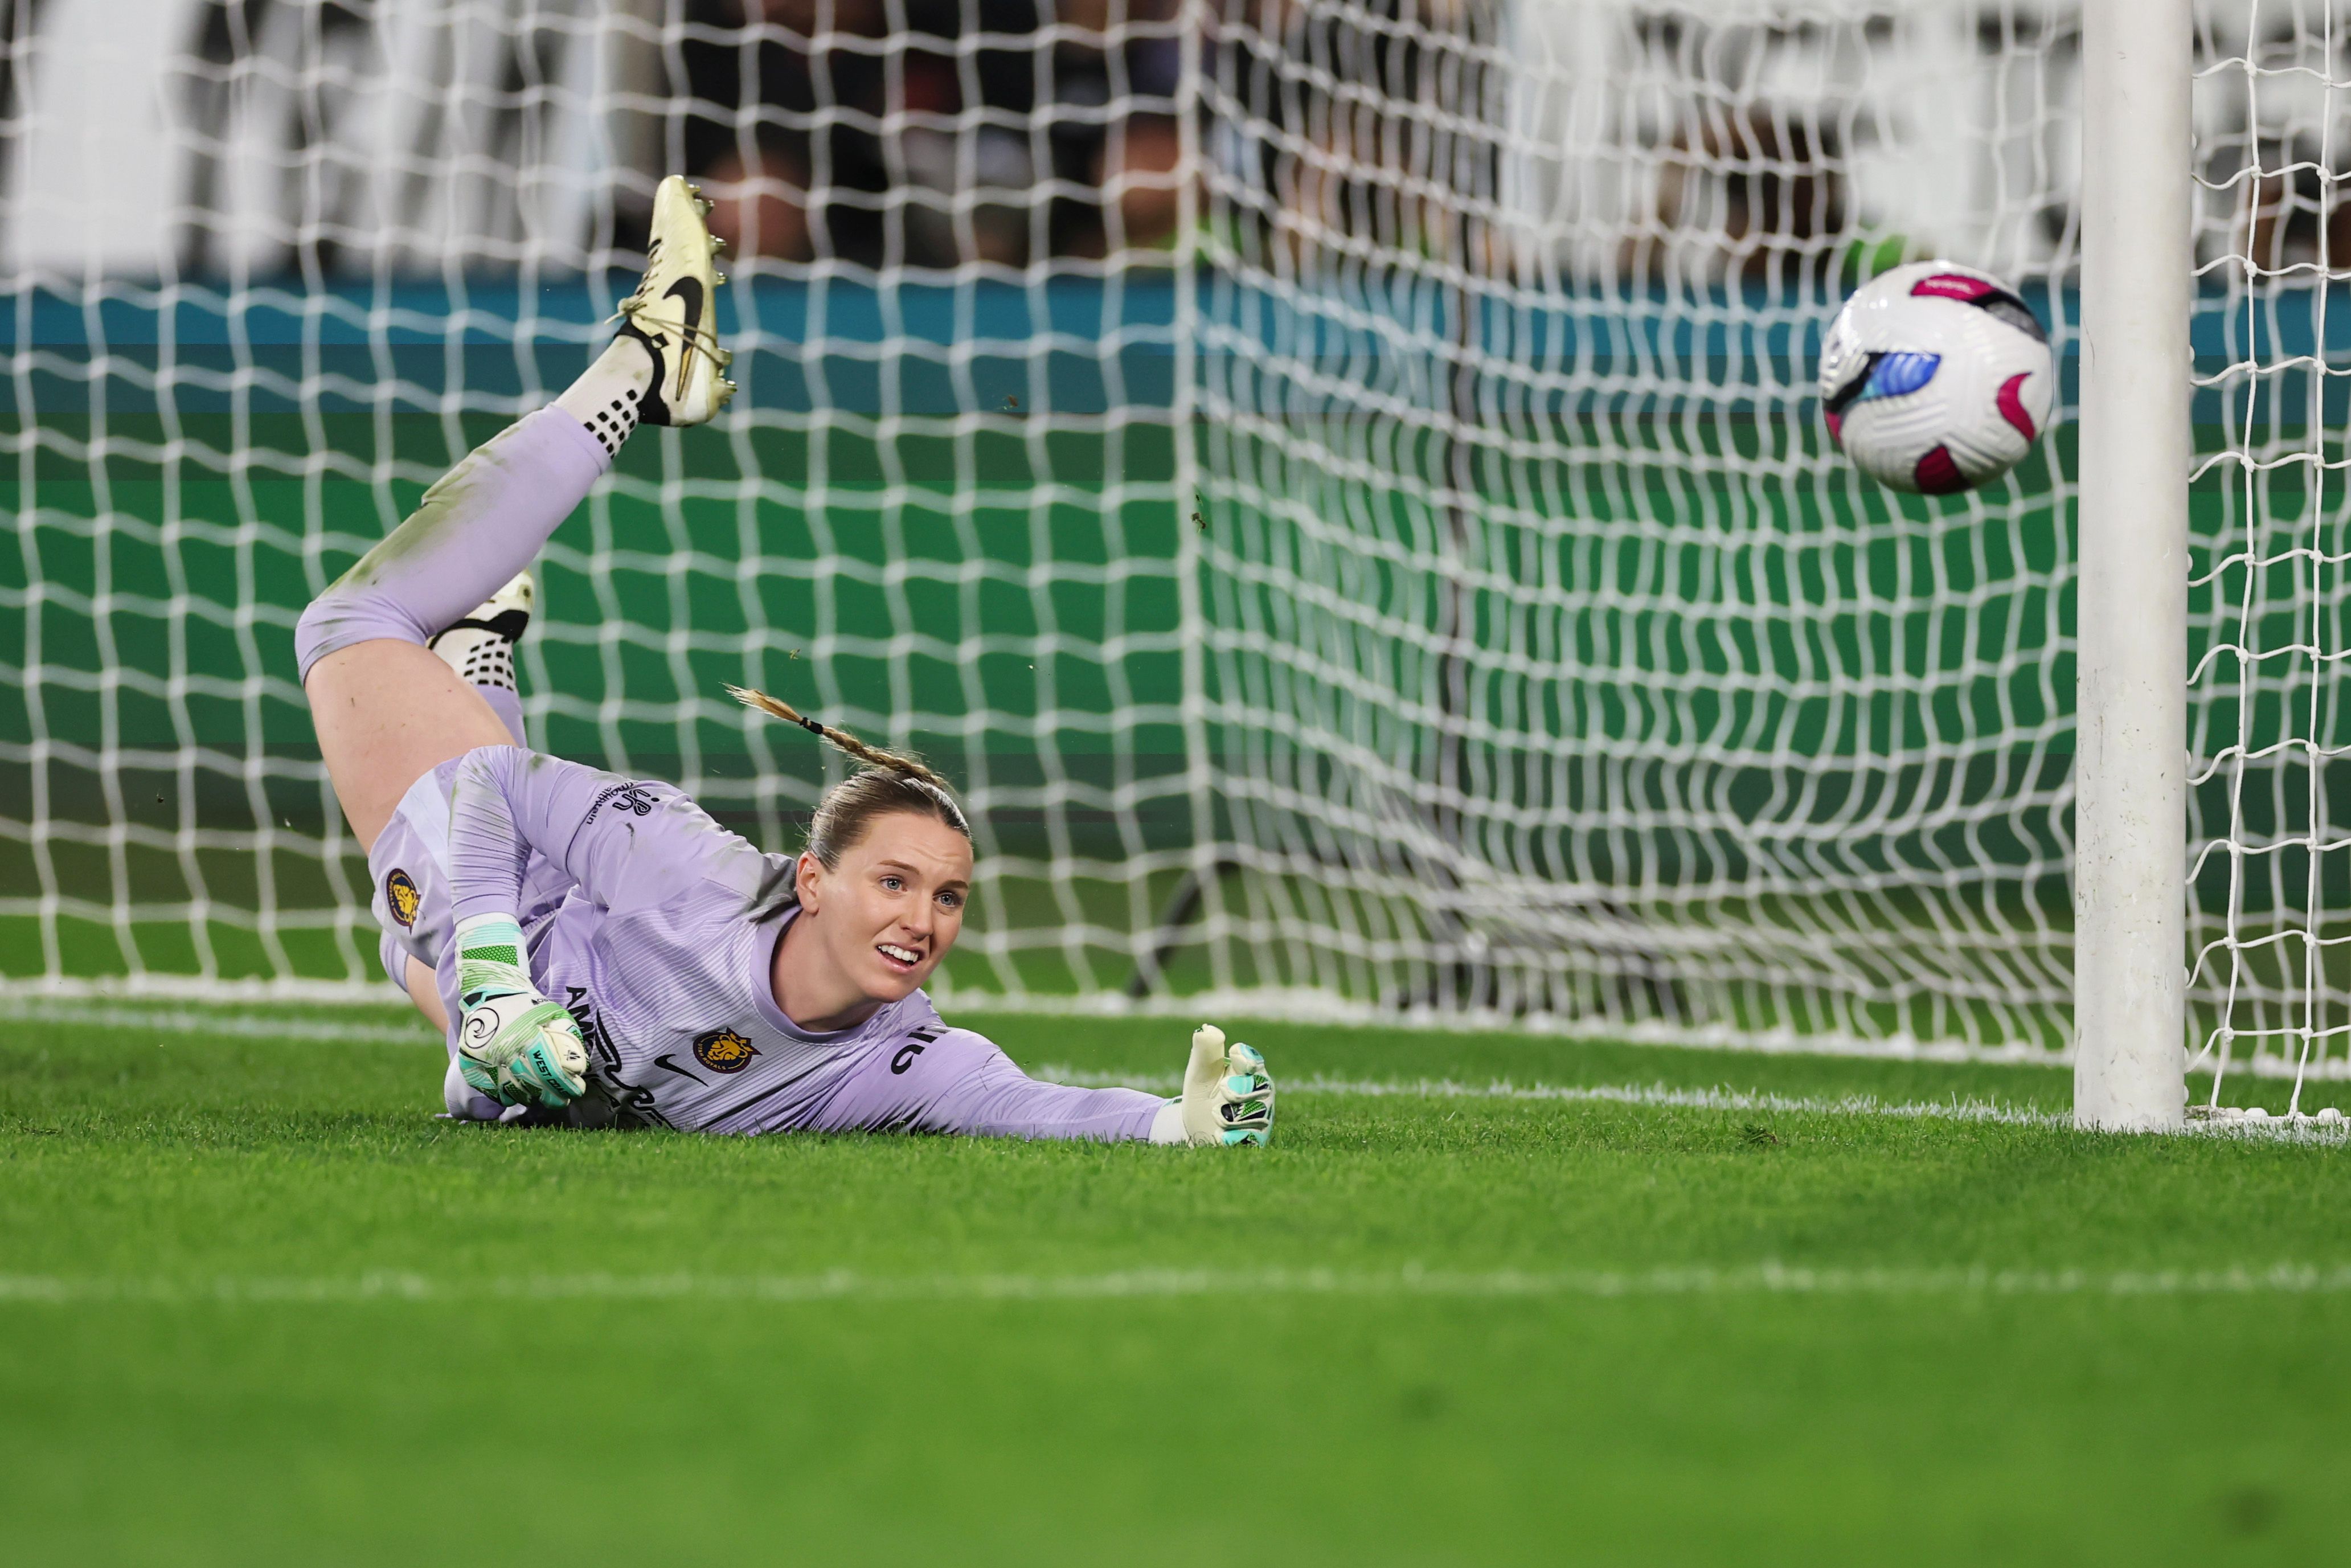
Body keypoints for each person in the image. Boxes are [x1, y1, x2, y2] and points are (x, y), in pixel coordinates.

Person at [293, 175, 1273, 1147]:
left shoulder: (896, 1060)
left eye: (946, 896)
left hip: (542, 1014)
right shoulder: (690, 872)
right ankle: (643, 367)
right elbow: (493, 788)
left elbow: (1035, 1102)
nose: (922, 919)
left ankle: (476, 653)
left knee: (404, 946)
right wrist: (499, 981)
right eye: (894, 881)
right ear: (812, 880)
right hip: (517, 907)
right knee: (345, 625)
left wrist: (1175, 1122)